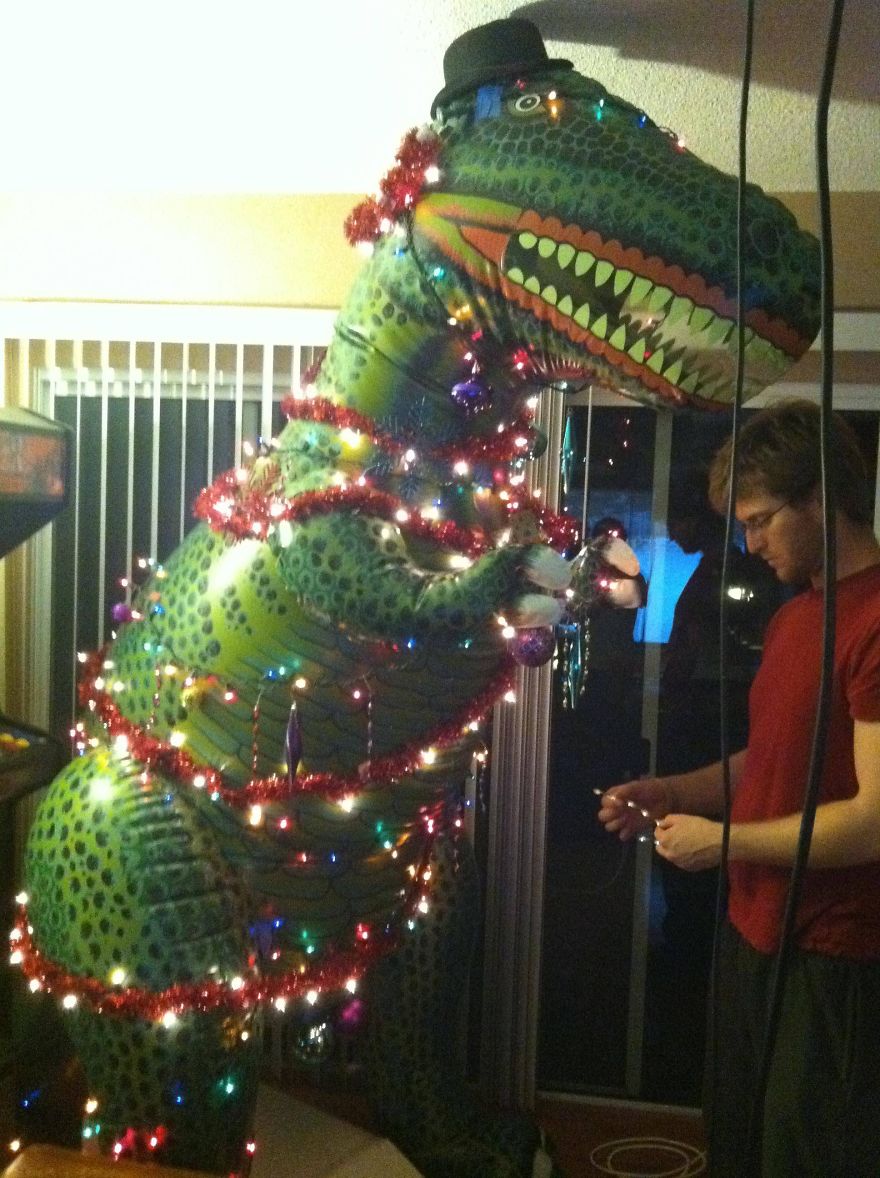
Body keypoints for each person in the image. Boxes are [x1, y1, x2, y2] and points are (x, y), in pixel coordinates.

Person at [597, 399, 880, 1176]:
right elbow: (772, 762)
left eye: (760, 521)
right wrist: (675, 791)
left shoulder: (875, 622)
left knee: (805, 1155)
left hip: (834, 951)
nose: (749, 545)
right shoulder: (796, 619)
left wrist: (723, 844)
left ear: (821, 497)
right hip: (754, 932)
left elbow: (872, 822)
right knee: (737, 1145)